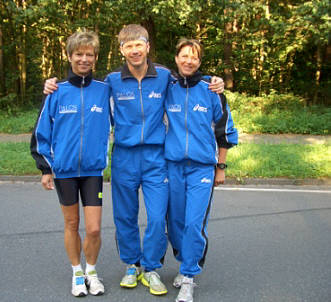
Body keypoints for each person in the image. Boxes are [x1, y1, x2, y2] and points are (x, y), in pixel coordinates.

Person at [43, 24, 225, 296]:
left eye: (139, 45)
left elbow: (192, 78)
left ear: (148, 47)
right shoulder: (112, 81)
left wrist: (216, 82)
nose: (135, 50)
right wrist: (51, 84)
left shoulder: (165, 76)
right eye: (129, 46)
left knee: (155, 219)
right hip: (124, 158)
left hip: (156, 157)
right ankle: (132, 265)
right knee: (125, 217)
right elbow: (84, 88)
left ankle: (151, 268)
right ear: (121, 50)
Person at [30, 30, 110, 297]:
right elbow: (41, 132)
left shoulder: (105, 90)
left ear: (95, 58)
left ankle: (92, 272)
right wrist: (45, 168)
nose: (84, 59)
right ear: (69, 56)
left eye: (89, 54)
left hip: (93, 170)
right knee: (72, 225)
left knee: (95, 227)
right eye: (79, 54)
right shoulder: (56, 91)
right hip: (63, 170)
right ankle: (77, 273)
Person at [164, 38, 238, 302]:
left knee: (194, 223)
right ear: (176, 58)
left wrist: (221, 166)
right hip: (172, 166)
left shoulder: (212, 89)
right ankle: (184, 263)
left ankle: (189, 277)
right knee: (174, 224)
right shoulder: (167, 86)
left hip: (202, 168)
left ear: (199, 61)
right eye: (184, 55)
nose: (188, 60)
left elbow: (225, 130)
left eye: (194, 57)